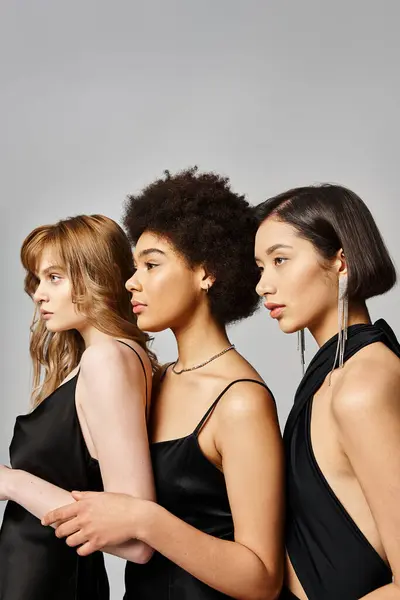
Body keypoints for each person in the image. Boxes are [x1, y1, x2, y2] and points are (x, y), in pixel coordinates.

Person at [43, 167, 285, 600]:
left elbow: (262, 578)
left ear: (206, 273)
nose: (131, 282)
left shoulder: (241, 401)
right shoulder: (154, 379)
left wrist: (144, 520)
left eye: (151, 264)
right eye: (134, 266)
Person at [254, 184, 400, 600]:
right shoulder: (336, 374)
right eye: (260, 267)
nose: (263, 285)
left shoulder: (362, 383)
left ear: (341, 260)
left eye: (280, 260)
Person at [0, 214, 157, 600]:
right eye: (38, 279)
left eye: (55, 278)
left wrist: (11, 482)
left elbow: (136, 537)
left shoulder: (107, 360)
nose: (38, 294)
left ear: (96, 276)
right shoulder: (112, 357)